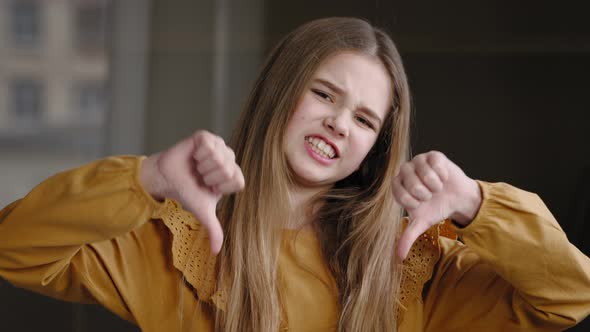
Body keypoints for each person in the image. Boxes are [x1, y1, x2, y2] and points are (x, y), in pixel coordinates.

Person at [0, 17, 589, 332]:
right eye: (323, 93)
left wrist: (478, 204)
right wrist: (147, 177)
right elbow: (13, 248)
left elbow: (573, 295)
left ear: (376, 146)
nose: (338, 123)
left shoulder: (415, 263)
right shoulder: (168, 242)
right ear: (280, 93)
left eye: (363, 118)